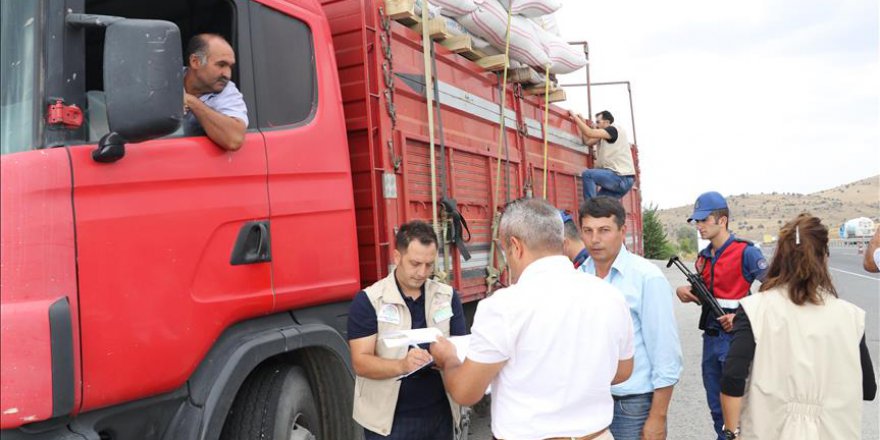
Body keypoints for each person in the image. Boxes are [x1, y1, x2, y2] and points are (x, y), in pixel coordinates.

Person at [430, 198, 635, 440]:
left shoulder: (502, 307)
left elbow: (465, 393)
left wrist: (448, 358)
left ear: (515, 247)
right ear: (562, 242)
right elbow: (623, 371)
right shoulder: (610, 295)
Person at [719, 214, 877, 440]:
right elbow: (868, 388)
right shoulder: (851, 317)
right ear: (824, 257)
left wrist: (731, 431)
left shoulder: (755, 309)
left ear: (779, 256)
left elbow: (732, 378)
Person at [347, 220, 467, 439]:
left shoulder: (447, 297)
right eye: (415, 263)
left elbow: (461, 349)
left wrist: (445, 358)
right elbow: (361, 362)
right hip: (390, 423)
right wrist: (403, 365)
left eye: (429, 265)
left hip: (440, 416)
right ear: (396, 257)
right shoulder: (370, 300)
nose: (422, 272)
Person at [579, 197, 682, 440]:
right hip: (588, 405)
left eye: (604, 230)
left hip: (632, 406)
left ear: (622, 231)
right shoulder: (579, 276)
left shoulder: (647, 278)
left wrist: (658, 417)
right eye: (588, 231)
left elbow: (666, 355)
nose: (595, 239)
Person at [674, 191, 767, 440]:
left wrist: (741, 317)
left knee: (740, 406)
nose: (699, 226)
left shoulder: (746, 252)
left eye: (704, 220)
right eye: (697, 221)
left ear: (722, 220)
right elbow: (707, 292)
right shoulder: (703, 258)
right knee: (717, 408)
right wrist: (686, 291)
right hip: (711, 337)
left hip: (737, 338)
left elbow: (773, 288)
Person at [183, 33, 248, 151]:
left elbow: (234, 139)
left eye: (230, 67)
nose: (227, 75)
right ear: (195, 61)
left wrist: (191, 102)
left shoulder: (227, 90)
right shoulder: (164, 80)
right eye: (221, 65)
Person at [570, 110, 636, 200]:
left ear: (607, 122)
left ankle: (589, 208)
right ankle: (593, 211)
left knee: (588, 174)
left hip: (620, 177)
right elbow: (587, 141)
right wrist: (582, 122)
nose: (596, 125)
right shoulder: (605, 135)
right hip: (624, 180)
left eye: (598, 122)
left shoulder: (613, 130)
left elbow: (590, 132)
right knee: (600, 206)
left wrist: (574, 117)